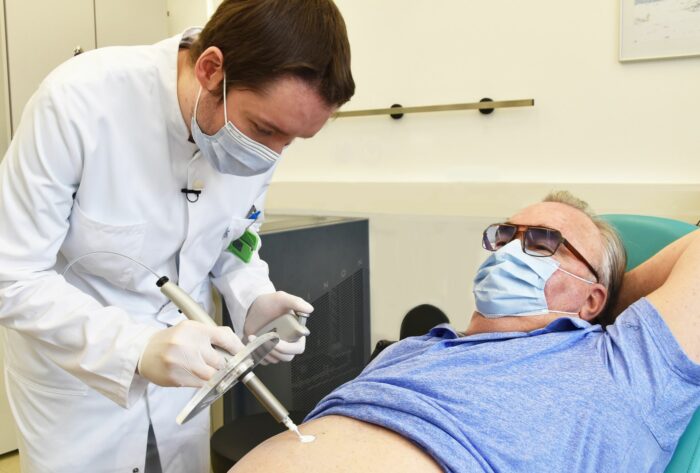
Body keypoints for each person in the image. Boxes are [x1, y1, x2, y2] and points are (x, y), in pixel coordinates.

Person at [0, 1, 354, 472]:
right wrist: (136, 348)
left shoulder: (258, 138)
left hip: (185, 387)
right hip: (81, 389)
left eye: (288, 141)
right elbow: (13, 275)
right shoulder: (78, 103)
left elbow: (236, 237)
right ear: (210, 70)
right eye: (264, 129)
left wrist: (252, 297)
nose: (270, 155)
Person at [228, 191, 700, 473]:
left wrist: (602, 305)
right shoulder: (416, 348)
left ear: (593, 299)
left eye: (543, 243)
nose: (510, 251)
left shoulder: (623, 364)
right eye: (506, 236)